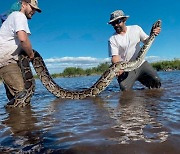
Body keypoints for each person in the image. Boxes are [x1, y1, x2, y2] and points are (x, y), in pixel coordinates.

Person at [108, 10, 161, 91]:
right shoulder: (112, 39)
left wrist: (153, 34)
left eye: (118, 22)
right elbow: (115, 57)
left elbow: (146, 41)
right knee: (124, 90)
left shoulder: (136, 28)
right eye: (113, 23)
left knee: (156, 82)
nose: (116, 25)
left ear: (124, 20)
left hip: (141, 64)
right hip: (125, 68)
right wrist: (118, 67)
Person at [0, 0, 41, 103]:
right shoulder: (19, 15)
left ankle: (12, 118)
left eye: (35, 9)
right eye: (32, 8)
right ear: (23, 4)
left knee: (14, 97)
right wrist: (31, 55)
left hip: (8, 59)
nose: (33, 11)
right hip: (7, 60)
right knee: (22, 93)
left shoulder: (12, 17)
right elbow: (23, 38)